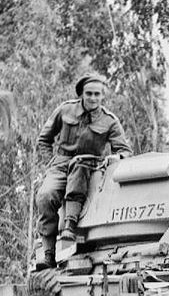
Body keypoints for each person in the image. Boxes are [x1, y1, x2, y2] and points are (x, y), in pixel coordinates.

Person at [36, 73, 132, 269]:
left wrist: (116, 157)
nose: (93, 98)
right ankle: (48, 254)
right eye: (89, 94)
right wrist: (50, 163)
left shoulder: (109, 121)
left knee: (80, 164)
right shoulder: (65, 110)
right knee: (45, 196)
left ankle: (70, 226)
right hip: (61, 164)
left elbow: (125, 151)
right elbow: (44, 139)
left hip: (89, 167)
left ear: (103, 96)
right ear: (81, 94)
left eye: (97, 94)